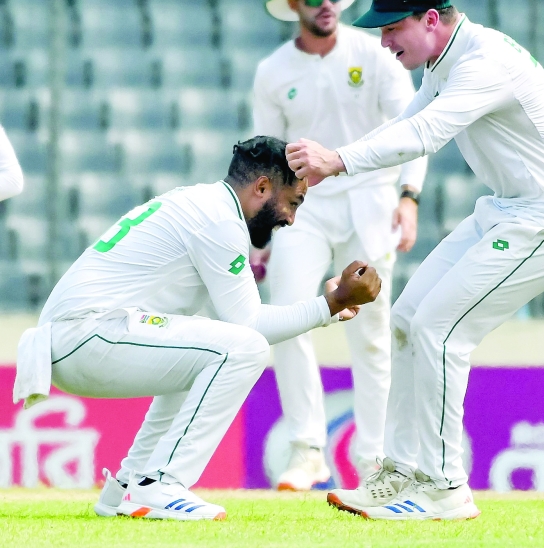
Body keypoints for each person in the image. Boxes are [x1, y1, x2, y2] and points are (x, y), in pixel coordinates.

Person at [286, 0, 544, 520]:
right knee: (406, 317)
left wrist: (337, 161)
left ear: (431, 19)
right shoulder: (442, 57)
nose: (382, 42)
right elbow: (402, 127)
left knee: (440, 330)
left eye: (391, 28)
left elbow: (425, 135)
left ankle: (446, 488)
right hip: (508, 210)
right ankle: (401, 473)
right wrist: (331, 167)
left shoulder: (483, 62)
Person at [12, 136, 382, 520]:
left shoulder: (205, 205)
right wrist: (332, 303)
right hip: (85, 335)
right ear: (261, 187)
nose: (291, 219)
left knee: (209, 349)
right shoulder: (219, 220)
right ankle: (161, 484)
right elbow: (250, 325)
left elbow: (227, 324)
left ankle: (129, 484)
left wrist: (331, 309)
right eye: (293, 202)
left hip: (77, 337)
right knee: (245, 348)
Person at [254, 0, 427, 490]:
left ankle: (372, 458)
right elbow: (266, 160)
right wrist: (259, 233)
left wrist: (408, 196)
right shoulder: (273, 71)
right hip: (303, 207)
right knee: (285, 316)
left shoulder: (372, 55)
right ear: (293, 7)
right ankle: (307, 450)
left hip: (371, 201)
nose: (324, 2)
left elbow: (412, 126)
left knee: (372, 332)